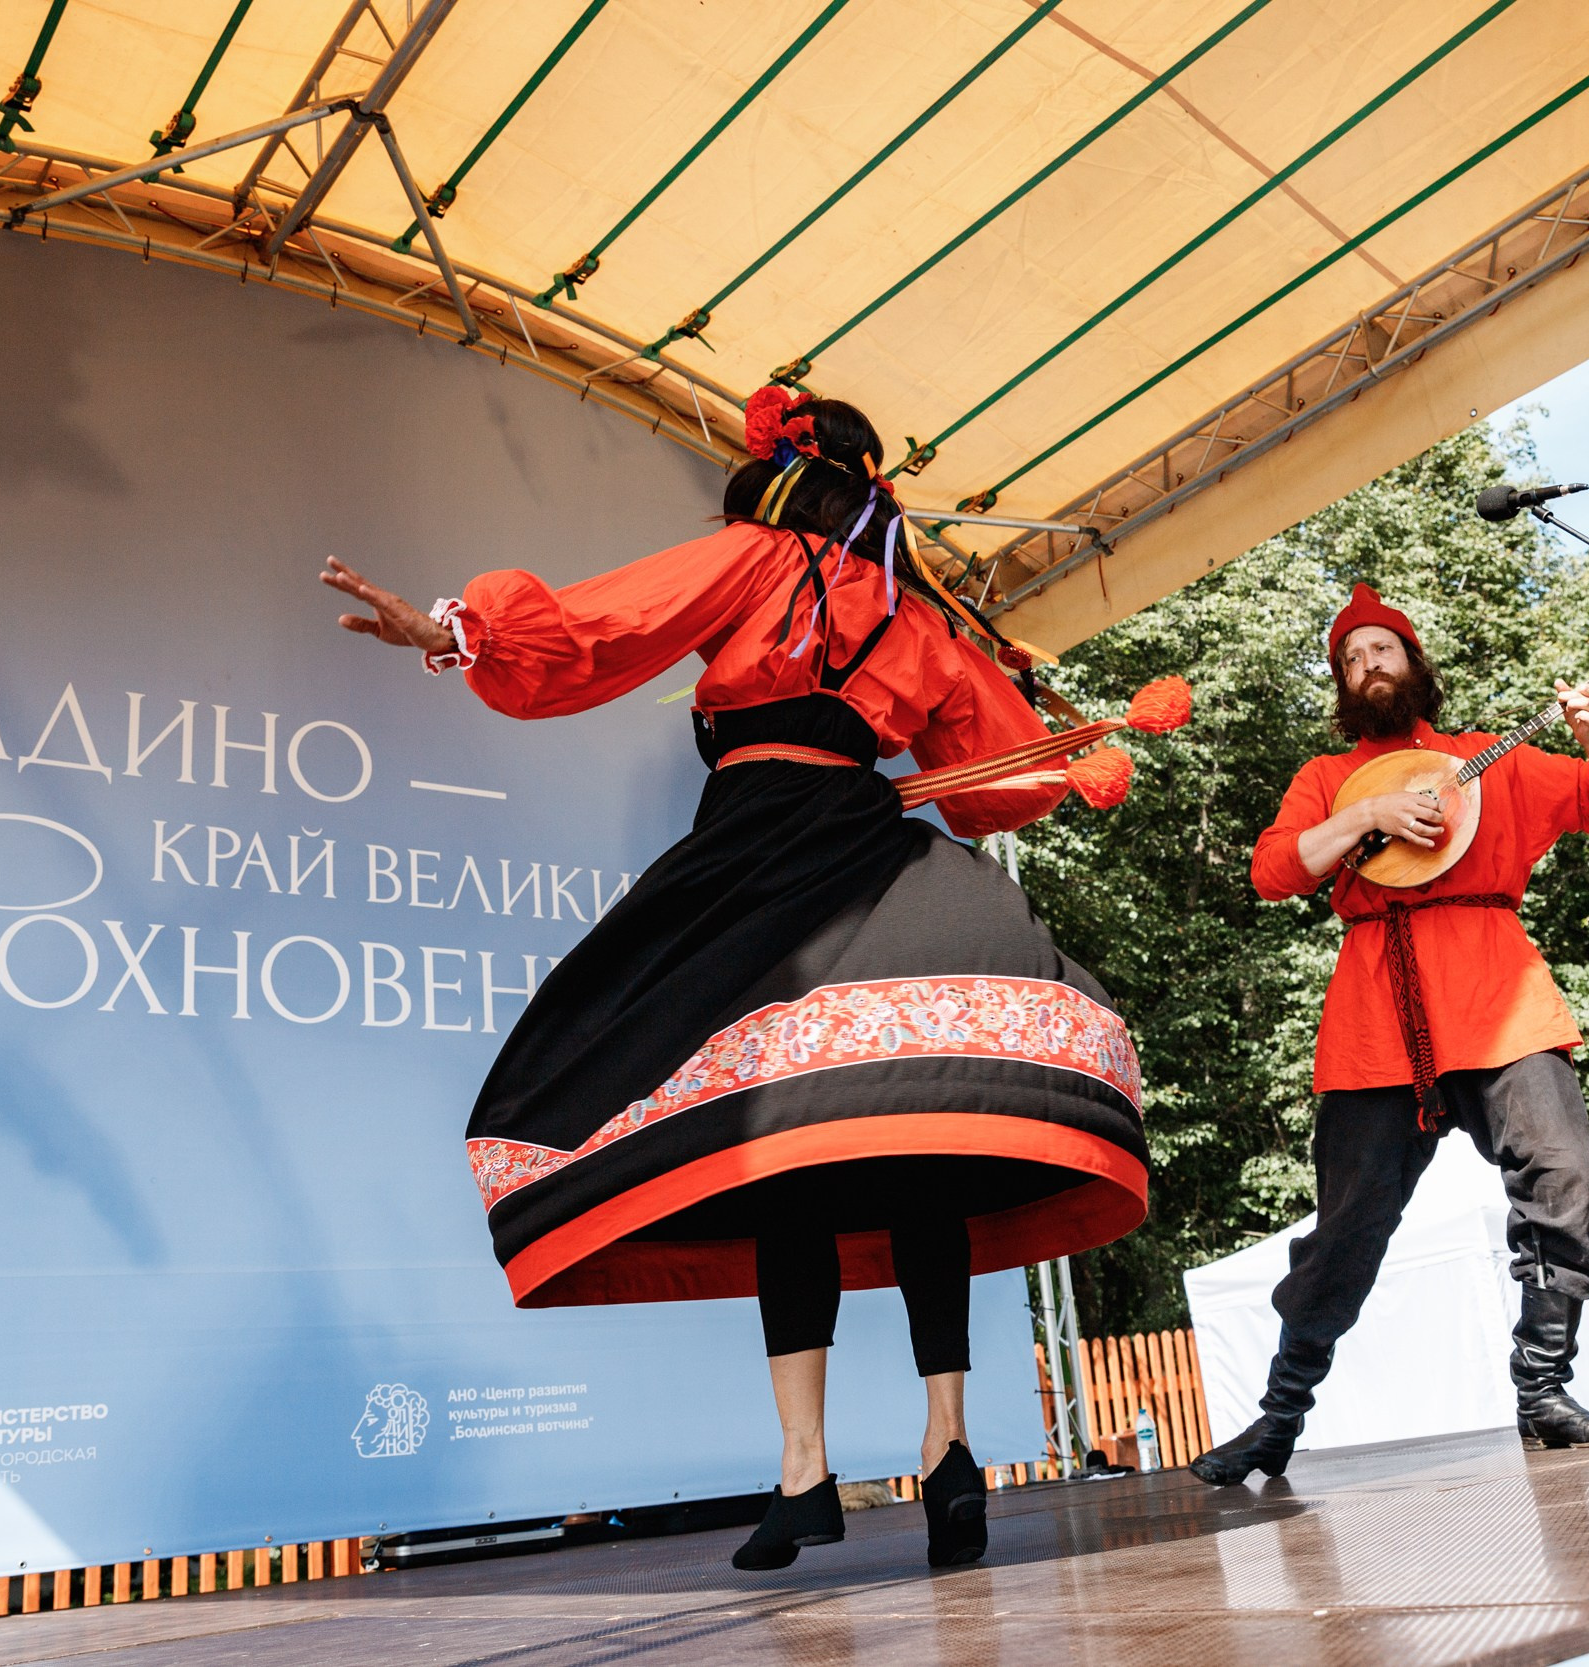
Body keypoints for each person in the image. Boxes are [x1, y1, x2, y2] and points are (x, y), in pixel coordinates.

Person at [322, 389, 1149, 1570]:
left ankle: (807, 1468)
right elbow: (982, 785)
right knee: (921, 1144)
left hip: (759, 851)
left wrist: (454, 632)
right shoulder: (916, 623)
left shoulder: (755, 556)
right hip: (868, 843)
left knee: (782, 1157)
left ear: (783, 476)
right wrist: (1073, 767)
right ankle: (946, 1448)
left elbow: (606, 628)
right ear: (872, 492)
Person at [1191, 584, 1589, 1487]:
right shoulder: (1326, 778)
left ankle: (1543, 1389)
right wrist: (1366, 816)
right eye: (1351, 659)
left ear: (1414, 662)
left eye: (1381, 650)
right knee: (1348, 1227)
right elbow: (1275, 870)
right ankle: (1279, 1420)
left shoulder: (1488, 759)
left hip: (1494, 985)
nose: (1368, 667)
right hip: (1374, 1011)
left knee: (1568, 1173)